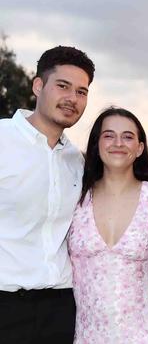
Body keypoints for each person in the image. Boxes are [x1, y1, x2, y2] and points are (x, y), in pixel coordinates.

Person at [0, 46, 95, 342]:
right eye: (63, 86)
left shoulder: (77, 163)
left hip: (61, 308)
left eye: (82, 92)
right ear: (38, 85)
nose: (72, 99)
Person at [67, 107, 148, 343]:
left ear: (140, 148)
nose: (118, 143)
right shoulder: (75, 198)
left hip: (147, 334)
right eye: (109, 135)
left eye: (128, 136)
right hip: (88, 336)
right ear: (96, 144)